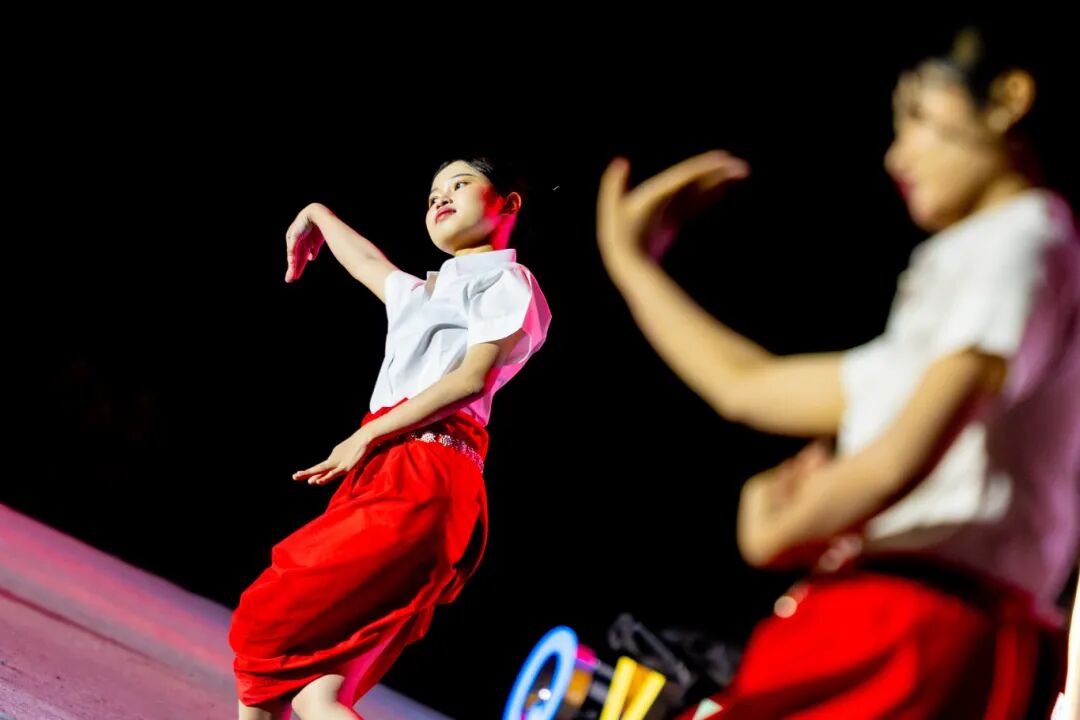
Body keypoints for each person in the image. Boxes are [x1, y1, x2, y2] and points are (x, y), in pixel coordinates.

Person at [596, 25, 1079, 719]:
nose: (896, 153)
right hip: (901, 615)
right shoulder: (977, 273)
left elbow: (899, 459)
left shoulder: (1022, 238)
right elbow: (750, 386)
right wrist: (630, 264)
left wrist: (784, 524)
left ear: (1007, 100)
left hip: (915, 622)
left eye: (917, 116)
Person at [229, 157, 551, 720]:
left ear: (508, 203)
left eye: (459, 184)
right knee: (313, 688)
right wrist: (316, 214)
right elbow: (367, 262)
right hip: (388, 468)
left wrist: (367, 435)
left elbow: (472, 379)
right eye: (432, 194)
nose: (440, 197)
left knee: (269, 621)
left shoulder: (505, 280)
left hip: (424, 471)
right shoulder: (424, 294)